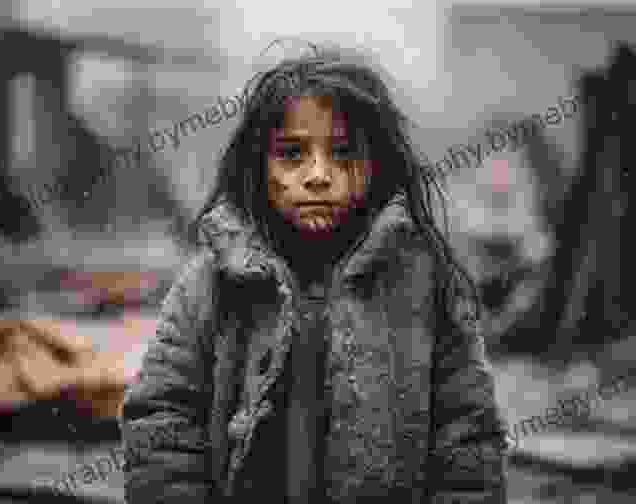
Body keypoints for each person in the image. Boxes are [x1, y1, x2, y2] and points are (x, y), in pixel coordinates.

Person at [119, 45, 509, 503]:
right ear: (258, 167)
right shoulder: (210, 284)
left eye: (343, 153)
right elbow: (162, 416)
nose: (319, 175)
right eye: (291, 154)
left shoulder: (425, 284)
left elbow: (468, 436)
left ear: (375, 166)